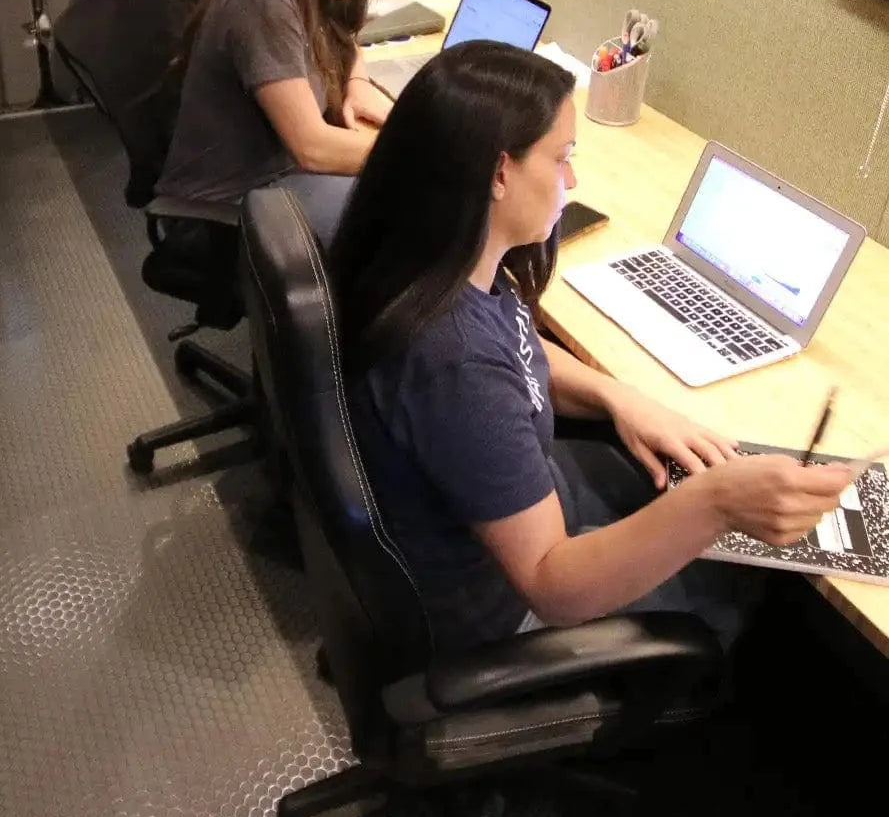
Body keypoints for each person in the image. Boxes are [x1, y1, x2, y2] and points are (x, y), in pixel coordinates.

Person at [330, 40, 852, 654]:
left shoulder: (442, 259)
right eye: (562, 158)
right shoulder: (453, 361)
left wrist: (616, 395)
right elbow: (552, 585)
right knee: (749, 587)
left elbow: (518, 351)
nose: (572, 180)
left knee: (664, 476)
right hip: (500, 612)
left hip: (513, 511)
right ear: (500, 173)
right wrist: (717, 504)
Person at [155, 0, 397, 257]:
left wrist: (358, 84)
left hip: (276, 179)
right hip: (229, 205)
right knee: (408, 218)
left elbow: (345, 40)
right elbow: (311, 147)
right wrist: (412, 150)